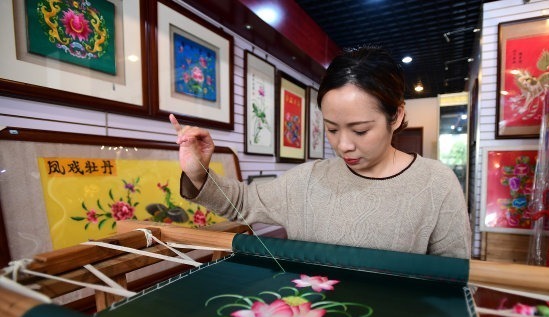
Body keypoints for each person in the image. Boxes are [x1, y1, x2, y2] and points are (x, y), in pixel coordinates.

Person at [172, 46, 471, 259]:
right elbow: (240, 202)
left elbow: (457, 282)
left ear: (396, 116)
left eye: (360, 130)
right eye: (332, 129)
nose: (343, 145)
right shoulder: (307, 180)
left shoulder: (436, 183)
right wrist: (198, 173)